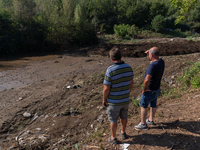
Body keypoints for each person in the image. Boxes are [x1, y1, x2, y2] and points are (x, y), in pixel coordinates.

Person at [103, 48, 134, 144]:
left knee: (113, 120)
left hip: (113, 101)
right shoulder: (129, 67)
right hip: (125, 99)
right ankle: (123, 133)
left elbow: (106, 88)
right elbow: (131, 82)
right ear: (121, 57)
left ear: (111, 58)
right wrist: (127, 92)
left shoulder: (110, 70)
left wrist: (104, 99)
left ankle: (113, 138)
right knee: (124, 117)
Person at [134, 47, 165, 130]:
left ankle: (143, 124)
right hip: (156, 88)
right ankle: (151, 120)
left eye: (149, 54)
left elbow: (147, 79)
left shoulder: (152, 66)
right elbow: (156, 55)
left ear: (151, 55)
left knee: (143, 105)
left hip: (149, 89)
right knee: (153, 104)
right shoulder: (161, 62)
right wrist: (150, 52)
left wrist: (144, 89)